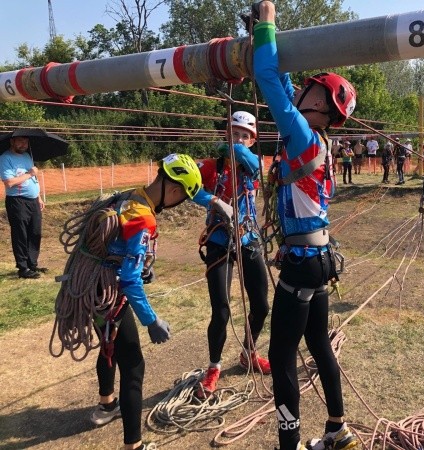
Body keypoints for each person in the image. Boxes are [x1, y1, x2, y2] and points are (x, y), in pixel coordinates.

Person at [253, 3, 359, 450]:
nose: (301, 91)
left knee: (281, 357)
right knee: (318, 343)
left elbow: (267, 75)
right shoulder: (318, 140)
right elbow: (282, 82)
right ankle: (337, 428)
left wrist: (267, 23)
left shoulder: (300, 134)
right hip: (317, 257)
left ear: (319, 103)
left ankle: (290, 444)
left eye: (309, 88)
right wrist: (264, 36)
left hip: (302, 262)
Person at [88, 154, 228, 450]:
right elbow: (129, 279)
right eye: (182, 197)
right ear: (174, 190)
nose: (179, 202)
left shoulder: (130, 197)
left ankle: (106, 404)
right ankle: (134, 445)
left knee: (109, 345)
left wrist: (139, 265)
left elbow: (119, 247)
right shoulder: (143, 218)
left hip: (92, 288)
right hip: (111, 294)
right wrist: (151, 321)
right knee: (133, 365)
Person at [194, 111, 271, 398]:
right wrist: (214, 199)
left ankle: (248, 352)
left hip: (248, 238)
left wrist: (232, 148)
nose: (238, 139)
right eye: (233, 134)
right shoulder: (211, 167)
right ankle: (213, 368)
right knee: (221, 310)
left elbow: (253, 164)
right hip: (218, 240)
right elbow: (189, 188)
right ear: (226, 134)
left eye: (244, 136)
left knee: (261, 305)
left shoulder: (253, 165)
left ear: (252, 141)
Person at [0, 135, 47, 279]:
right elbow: (9, 182)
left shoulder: (27, 156)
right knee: (20, 234)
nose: (24, 144)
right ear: (12, 141)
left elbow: (34, 179)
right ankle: (23, 268)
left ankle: (32, 264)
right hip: (17, 201)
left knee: (35, 232)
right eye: (20, 141)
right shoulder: (5, 158)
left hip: (33, 201)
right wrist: (30, 173)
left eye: (26, 141)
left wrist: (38, 197)